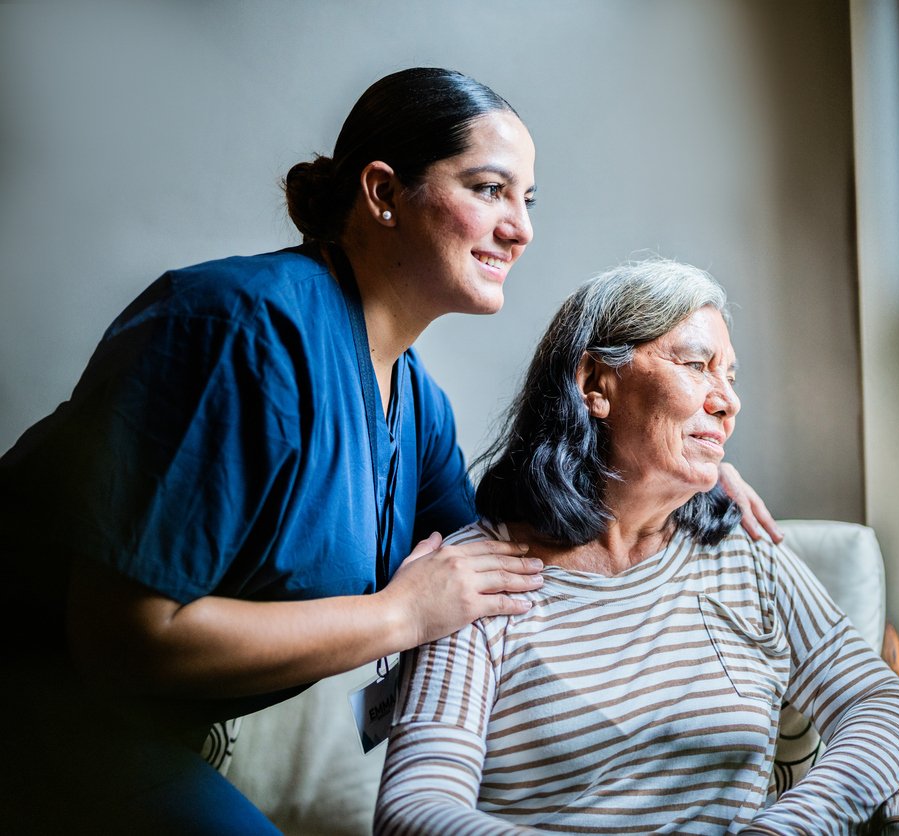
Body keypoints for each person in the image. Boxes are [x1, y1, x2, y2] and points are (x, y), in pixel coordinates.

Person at [0, 69, 777, 834]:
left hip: (137, 735)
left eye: (527, 199)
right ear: (381, 194)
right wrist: (397, 613)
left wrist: (675, 466)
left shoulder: (415, 403)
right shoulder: (234, 329)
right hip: (37, 711)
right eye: (488, 189)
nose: (521, 227)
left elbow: (523, 560)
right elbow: (124, 637)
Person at [373, 259, 899, 835]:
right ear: (595, 385)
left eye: (730, 377)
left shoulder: (744, 550)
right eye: (695, 365)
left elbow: (881, 708)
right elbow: (416, 813)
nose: (727, 401)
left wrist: (788, 828)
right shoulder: (476, 576)